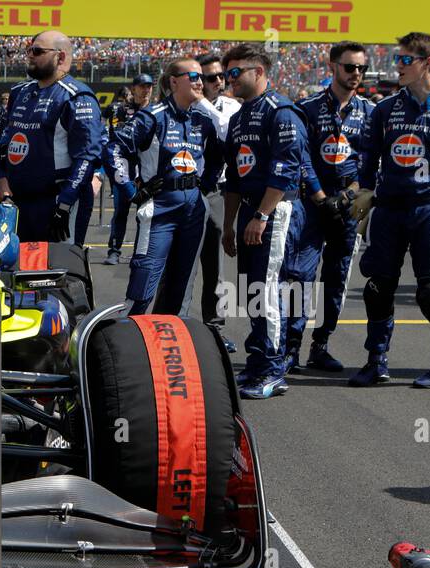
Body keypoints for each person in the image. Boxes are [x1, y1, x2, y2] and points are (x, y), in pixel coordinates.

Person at [350, 31, 430, 388]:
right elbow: (369, 159)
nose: (397, 67)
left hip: (429, 208)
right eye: (396, 60)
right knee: (378, 287)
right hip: (387, 210)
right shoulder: (385, 109)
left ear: (427, 63)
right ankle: (376, 362)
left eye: (405, 60)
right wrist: (365, 193)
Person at [219, 43, 308, 399]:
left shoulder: (281, 111)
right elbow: (234, 178)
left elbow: (286, 170)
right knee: (251, 289)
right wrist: (228, 225)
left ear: (259, 72)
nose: (229, 79)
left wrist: (261, 215)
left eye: (235, 72)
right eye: (227, 73)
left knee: (268, 287)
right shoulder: (240, 117)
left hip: (275, 210)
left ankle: (273, 368)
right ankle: (257, 363)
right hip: (250, 211)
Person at [279, 41, 374, 374]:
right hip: (312, 204)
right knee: (299, 274)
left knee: (337, 278)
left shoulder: (368, 111)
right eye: (350, 67)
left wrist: (347, 195)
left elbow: (367, 160)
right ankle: (290, 348)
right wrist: (320, 196)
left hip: (349, 206)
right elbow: (300, 156)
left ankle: (321, 345)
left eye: (362, 68)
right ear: (333, 66)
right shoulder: (306, 107)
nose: (356, 74)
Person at [116, 58, 222, 315]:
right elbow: (115, 150)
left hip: (194, 211)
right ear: (174, 81)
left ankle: (169, 345)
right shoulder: (152, 116)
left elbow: (219, 155)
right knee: (144, 281)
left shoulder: (204, 120)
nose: (200, 82)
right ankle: (128, 340)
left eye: (201, 77)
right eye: (193, 77)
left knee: (182, 285)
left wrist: (204, 187)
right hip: (159, 209)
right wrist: (131, 190)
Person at [0, 31, 102, 242]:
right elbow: (3, 141)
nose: (30, 55)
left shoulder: (77, 97)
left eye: (37, 51)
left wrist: (64, 204)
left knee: (58, 268)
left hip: (56, 201)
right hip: (17, 201)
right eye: (29, 50)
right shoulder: (19, 92)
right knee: (16, 267)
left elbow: (87, 157)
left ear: (60, 57)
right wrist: (1, 180)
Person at [193, 54, 243, 351]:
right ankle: (171, 321)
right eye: (211, 78)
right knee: (177, 263)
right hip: (182, 193)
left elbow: (224, 129)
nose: (218, 82)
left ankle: (215, 327)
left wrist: (201, 103)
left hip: (215, 192)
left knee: (216, 266)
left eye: (220, 77)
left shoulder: (230, 107)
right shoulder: (184, 106)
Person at [103, 75, 152, 264]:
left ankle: (140, 253)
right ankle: (114, 251)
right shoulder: (121, 110)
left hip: (147, 169)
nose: (146, 90)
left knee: (144, 213)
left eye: (149, 86)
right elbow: (116, 136)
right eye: (142, 86)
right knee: (120, 212)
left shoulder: (156, 110)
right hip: (125, 168)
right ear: (134, 88)